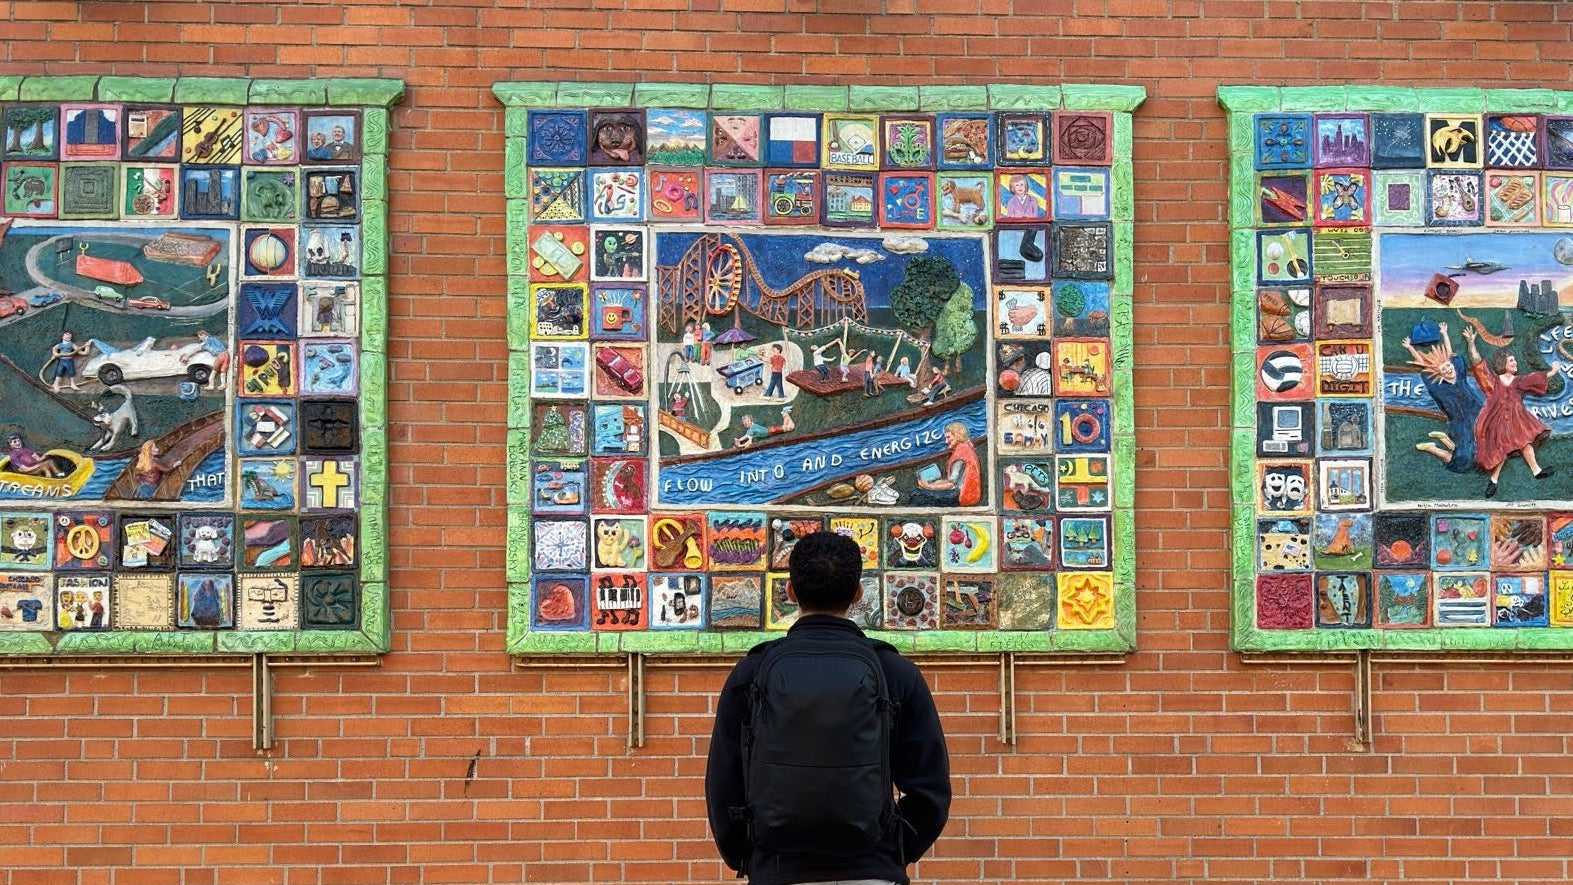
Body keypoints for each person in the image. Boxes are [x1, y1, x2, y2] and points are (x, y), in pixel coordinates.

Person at [706, 531, 951, 885]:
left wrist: (750, 856)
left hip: (778, 870)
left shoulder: (753, 671)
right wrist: (890, 853)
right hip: (872, 869)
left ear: (789, 591)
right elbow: (930, 790)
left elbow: (723, 782)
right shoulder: (895, 672)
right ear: (857, 593)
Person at [1471, 339, 1558, 497]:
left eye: (1514, 360)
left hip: (1516, 420)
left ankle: (1536, 470)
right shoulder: (1493, 382)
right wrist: (1471, 343)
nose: (1515, 362)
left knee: (1525, 442)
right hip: (1496, 420)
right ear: (1503, 363)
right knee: (1501, 450)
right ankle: (1493, 480)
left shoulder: (1518, 381)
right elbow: (1479, 366)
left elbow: (1534, 379)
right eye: (1511, 360)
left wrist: (1552, 372)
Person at [1402, 322, 1482, 474]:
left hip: (1476, 411)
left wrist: (1445, 333)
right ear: (1439, 374)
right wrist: (1410, 348)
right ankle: (1433, 448)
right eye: (1444, 369)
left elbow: (1451, 354)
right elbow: (1424, 366)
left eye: (1448, 366)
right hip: (1460, 420)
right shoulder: (1439, 387)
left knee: (1478, 448)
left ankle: (1445, 439)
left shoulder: (1459, 375)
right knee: (1464, 461)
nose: (1448, 369)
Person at [909, 421, 981, 507]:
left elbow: (951, 484)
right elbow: (953, 480)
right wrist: (935, 483)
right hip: (969, 494)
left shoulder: (960, 455)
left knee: (915, 494)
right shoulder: (967, 449)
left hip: (961, 496)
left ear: (958, 436)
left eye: (949, 437)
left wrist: (929, 487)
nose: (946, 441)